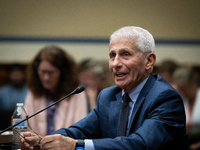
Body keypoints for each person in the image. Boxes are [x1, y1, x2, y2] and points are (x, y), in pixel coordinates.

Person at [20, 26, 188, 150]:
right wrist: (43, 140)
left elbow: (139, 144)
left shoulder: (165, 97)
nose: (115, 64)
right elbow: (78, 131)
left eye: (125, 54)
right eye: (112, 55)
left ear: (149, 61)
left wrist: (75, 146)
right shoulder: (108, 96)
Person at [23, 46, 88, 136]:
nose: (46, 77)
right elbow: (25, 126)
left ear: (63, 73)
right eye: (43, 71)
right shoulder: (34, 91)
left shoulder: (76, 92)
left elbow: (80, 130)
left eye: (51, 72)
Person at [173, 67, 200, 149]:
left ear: (193, 84)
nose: (182, 92)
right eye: (180, 89)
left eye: (184, 88)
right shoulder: (180, 99)